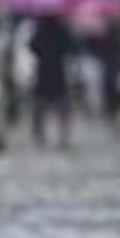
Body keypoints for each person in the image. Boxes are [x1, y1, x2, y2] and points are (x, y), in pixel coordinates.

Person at [29, 14, 78, 149]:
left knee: (40, 107)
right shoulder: (62, 30)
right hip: (57, 72)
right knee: (61, 106)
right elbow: (71, 47)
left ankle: (40, 135)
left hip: (43, 71)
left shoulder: (40, 30)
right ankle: (62, 136)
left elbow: (32, 47)